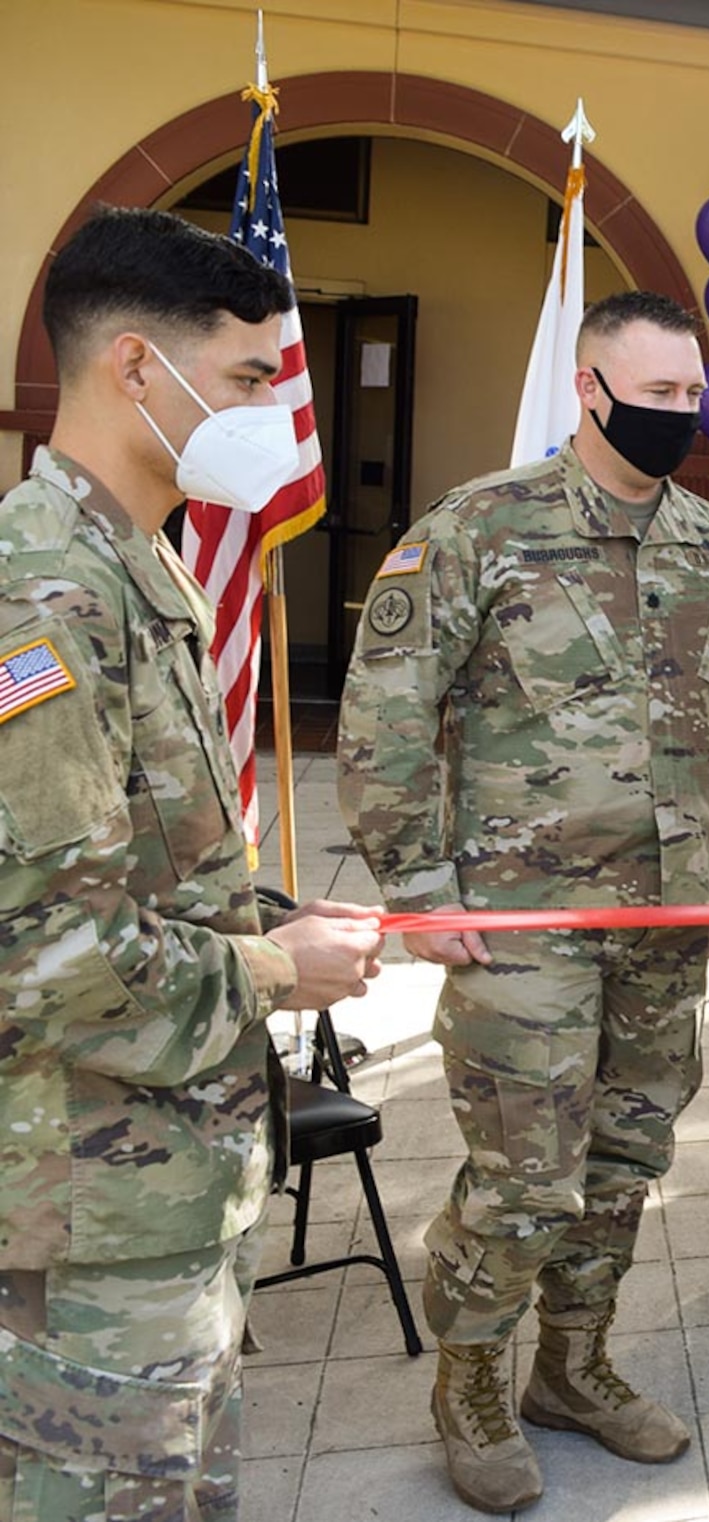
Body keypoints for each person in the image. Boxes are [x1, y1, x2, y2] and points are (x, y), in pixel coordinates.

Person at [337, 290, 709, 1513]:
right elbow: (382, 714)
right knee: (528, 1172)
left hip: (664, 913)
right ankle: (469, 1378)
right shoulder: (479, 528)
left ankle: (571, 1368)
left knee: (627, 1154)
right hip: (521, 914)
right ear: (590, 393)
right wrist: (418, 887)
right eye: (656, 396)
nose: (680, 417)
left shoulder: (707, 541)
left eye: (693, 397)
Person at [0, 207, 384, 1521]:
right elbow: (40, 954)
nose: (274, 419)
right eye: (249, 381)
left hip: (170, 1189)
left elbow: (143, 875)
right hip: (87, 1221)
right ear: (132, 368)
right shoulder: (44, 597)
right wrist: (280, 967)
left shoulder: (136, 562)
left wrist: (284, 918)